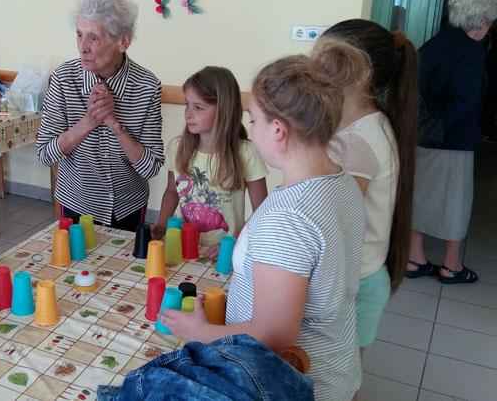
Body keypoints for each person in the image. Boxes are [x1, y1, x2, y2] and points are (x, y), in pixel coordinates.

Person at [160, 43, 367, 401]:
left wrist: (200, 332)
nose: (251, 129)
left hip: (293, 382)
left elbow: (274, 335)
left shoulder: (287, 218)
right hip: (336, 366)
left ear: (278, 130)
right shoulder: (342, 182)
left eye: (254, 120)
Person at [319, 20, 419, 352]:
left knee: (340, 374)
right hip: (362, 274)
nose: (312, 69)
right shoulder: (364, 125)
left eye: (325, 59)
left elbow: (339, 225)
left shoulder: (357, 141)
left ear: (361, 74)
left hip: (354, 280)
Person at [36, 0, 164, 231]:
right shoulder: (63, 79)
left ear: (123, 42)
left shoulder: (147, 86)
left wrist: (115, 125)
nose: (82, 47)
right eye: (79, 35)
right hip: (76, 203)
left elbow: (151, 167)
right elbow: (45, 155)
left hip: (129, 207)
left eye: (93, 37)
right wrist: (88, 122)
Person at [409, 0, 497, 284]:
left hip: (421, 133)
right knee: (456, 201)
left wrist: (424, 124)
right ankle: (451, 266)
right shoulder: (471, 51)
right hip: (453, 139)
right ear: (482, 21)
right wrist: (442, 126)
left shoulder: (435, 43)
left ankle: (414, 259)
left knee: (419, 196)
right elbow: (465, 101)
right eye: (490, 22)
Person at [154, 66, 268, 258]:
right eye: (187, 104)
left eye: (198, 107)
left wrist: (238, 242)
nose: (188, 113)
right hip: (184, 246)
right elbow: (172, 191)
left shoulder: (246, 153)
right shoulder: (177, 147)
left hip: (225, 251)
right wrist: (162, 225)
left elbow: (262, 212)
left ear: (223, 110)